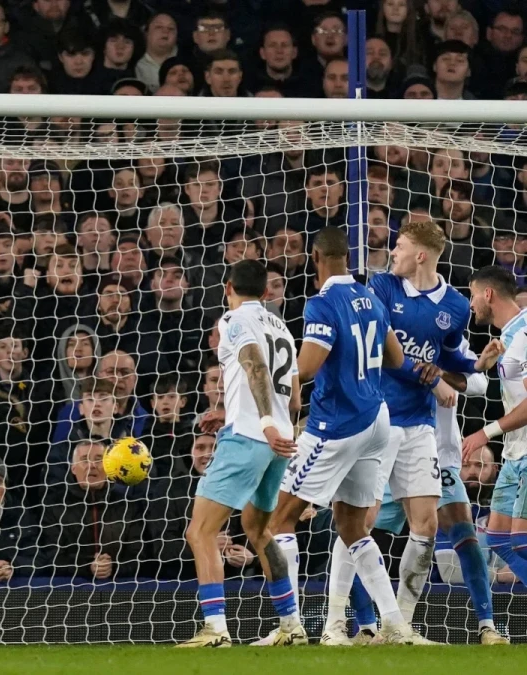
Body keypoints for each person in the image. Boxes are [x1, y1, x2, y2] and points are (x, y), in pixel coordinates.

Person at [263, 226, 425, 646]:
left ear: (315, 257)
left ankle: (290, 628)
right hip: (377, 419)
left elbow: (311, 366)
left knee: (279, 518)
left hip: (337, 424)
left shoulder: (321, 304)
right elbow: (396, 357)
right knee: (353, 526)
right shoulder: (371, 297)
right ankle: (394, 624)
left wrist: (280, 382)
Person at [358, 221, 501, 641]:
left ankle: (481, 624)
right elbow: (381, 350)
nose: (392, 252)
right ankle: (362, 626)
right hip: (378, 428)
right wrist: (433, 379)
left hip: (430, 440)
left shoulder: (455, 307)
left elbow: (465, 372)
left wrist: (472, 367)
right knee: (356, 529)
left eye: (399, 245)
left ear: (421, 254)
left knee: (453, 529)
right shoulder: (384, 287)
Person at [179, 260, 304, 647]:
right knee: (260, 531)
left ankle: (215, 629)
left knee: (200, 531)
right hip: (280, 441)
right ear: (267, 292)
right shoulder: (281, 326)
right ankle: (291, 627)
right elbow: (296, 397)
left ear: (228, 287)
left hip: (251, 436)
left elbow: (253, 365)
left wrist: (261, 420)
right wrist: (270, 422)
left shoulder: (232, 321)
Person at [355, 336, 508, 644]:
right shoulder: (386, 335)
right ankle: (367, 626)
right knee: (364, 536)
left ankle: (487, 627)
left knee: (465, 536)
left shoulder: (447, 337)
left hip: (440, 454)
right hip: (390, 449)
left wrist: (439, 373)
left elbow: (478, 384)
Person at [459, 266, 527, 593]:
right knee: (498, 539)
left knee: (521, 542)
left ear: (488, 294)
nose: (471, 304)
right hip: (515, 452)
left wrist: (485, 433)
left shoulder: (523, 335)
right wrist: (482, 364)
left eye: (473, 295)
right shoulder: (510, 338)